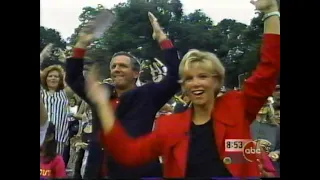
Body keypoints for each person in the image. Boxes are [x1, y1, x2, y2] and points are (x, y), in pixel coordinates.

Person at [85, 0, 280, 178]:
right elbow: (128, 153)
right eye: (188, 78)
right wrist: (103, 107)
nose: (195, 83)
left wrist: (271, 12)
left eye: (202, 76)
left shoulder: (237, 107)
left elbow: (268, 69)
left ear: (217, 81)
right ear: (183, 86)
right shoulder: (170, 126)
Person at [65, 12, 180, 178]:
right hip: (98, 171)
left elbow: (175, 77)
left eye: (122, 66)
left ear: (136, 73)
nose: (116, 69)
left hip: (137, 172)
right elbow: (73, 77)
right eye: (113, 66)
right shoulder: (100, 94)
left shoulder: (148, 95)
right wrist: (82, 43)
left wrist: (161, 37)